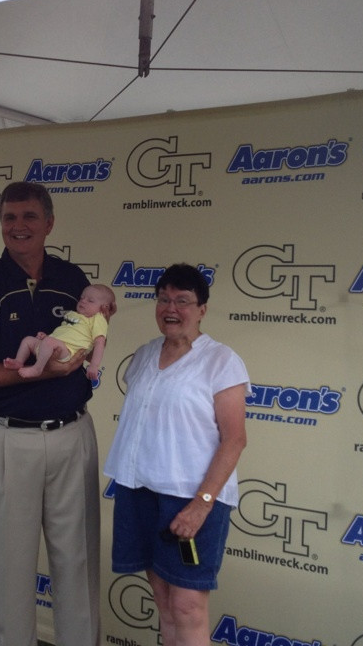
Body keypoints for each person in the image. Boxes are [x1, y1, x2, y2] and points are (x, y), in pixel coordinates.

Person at [0, 181, 110, 646]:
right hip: (6, 439)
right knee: (7, 567)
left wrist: (80, 359)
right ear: (0, 223)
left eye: (29, 216)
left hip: (71, 432)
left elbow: (94, 335)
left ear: (49, 223)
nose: (19, 226)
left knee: (78, 561)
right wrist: (32, 375)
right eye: (10, 217)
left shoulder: (73, 278)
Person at [103, 263, 251, 646]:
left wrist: (201, 505)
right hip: (140, 490)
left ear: (202, 309)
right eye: (164, 299)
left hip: (192, 499)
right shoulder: (143, 355)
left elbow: (234, 440)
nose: (171, 308)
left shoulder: (222, 361)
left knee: (187, 607)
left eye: (183, 300)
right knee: (165, 603)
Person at [3, 284, 115, 381]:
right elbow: (63, 333)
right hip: (54, 346)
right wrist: (46, 337)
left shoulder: (98, 319)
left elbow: (100, 343)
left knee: (49, 342)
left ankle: (37, 369)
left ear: (104, 307)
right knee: (28, 340)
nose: (83, 301)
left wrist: (94, 365)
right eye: (81, 298)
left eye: (90, 300)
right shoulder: (73, 314)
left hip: (69, 352)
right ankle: (18, 361)